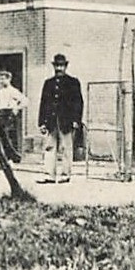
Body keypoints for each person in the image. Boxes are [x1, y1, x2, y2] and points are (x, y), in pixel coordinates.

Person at [37, 53, 83, 184]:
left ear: (66, 66)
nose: (59, 68)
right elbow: (43, 103)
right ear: (53, 66)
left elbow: (78, 103)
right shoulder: (48, 83)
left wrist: (76, 120)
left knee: (66, 148)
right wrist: (42, 122)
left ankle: (65, 174)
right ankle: (49, 175)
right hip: (51, 121)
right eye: (57, 65)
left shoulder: (73, 82)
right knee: (50, 147)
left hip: (66, 120)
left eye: (61, 65)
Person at [0, 70, 26, 163]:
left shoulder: (14, 91)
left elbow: (25, 101)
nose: (1, 81)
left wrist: (16, 109)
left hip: (9, 114)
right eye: (0, 79)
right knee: (1, 136)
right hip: (1, 114)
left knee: (8, 135)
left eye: (3, 79)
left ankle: (14, 157)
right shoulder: (1, 92)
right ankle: (6, 157)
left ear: (9, 79)